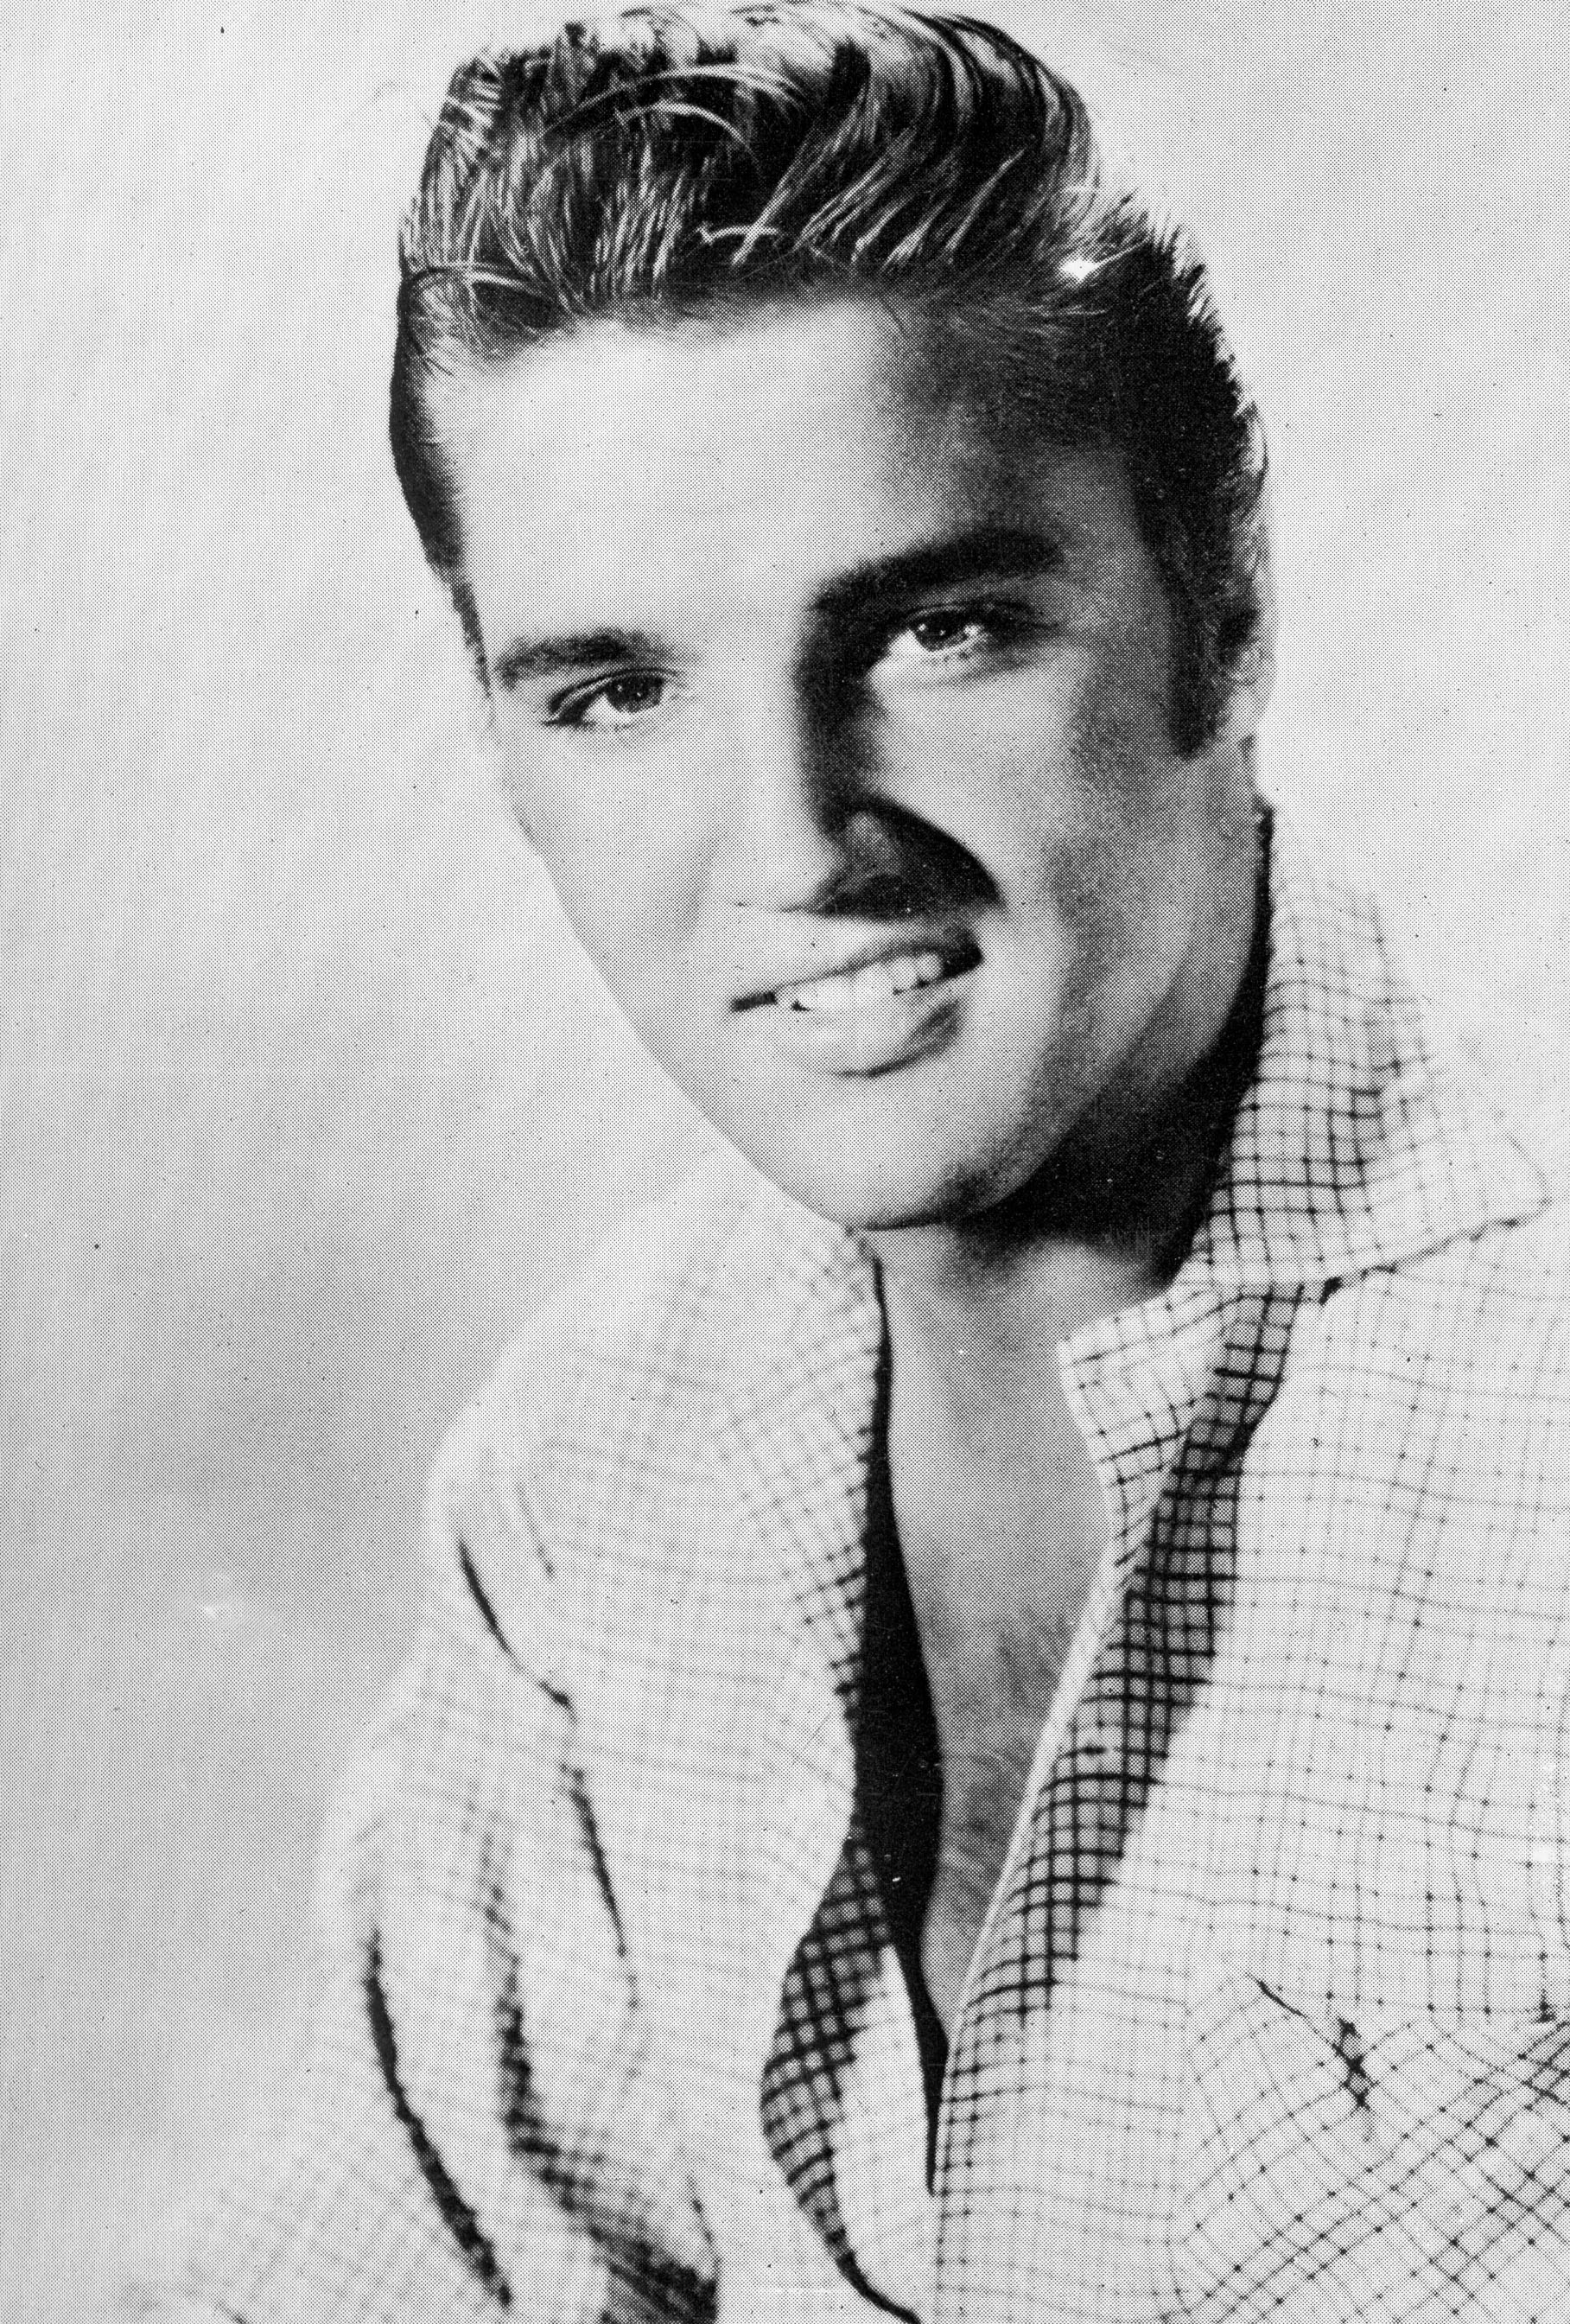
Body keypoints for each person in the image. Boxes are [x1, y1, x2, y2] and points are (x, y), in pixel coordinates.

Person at [145, 5, 1570, 2319]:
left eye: (936, 627)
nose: (797, 845)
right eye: (618, 689)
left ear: (1226, 605)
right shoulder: (601, 1459)